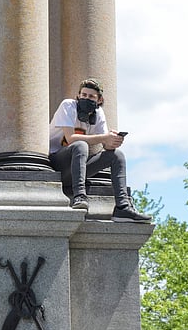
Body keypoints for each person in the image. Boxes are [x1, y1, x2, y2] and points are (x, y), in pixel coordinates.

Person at [48, 78, 151, 223]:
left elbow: (106, 146)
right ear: (78, 96)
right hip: (56, 165)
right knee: (80, 145)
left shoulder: (98, 113)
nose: (86, 98)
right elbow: (71, 138)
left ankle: (123, 208)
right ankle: (80, 197)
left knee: (117, 155)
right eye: (83, 95)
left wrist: (113, 140)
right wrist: (104, 137)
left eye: (91, 97)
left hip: (76, 169)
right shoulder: (68, 106)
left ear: (99, 100)